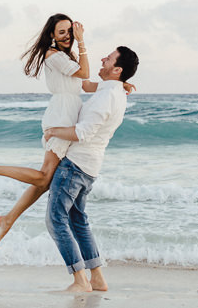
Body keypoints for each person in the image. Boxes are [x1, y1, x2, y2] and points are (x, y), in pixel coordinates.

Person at [0, 14, 131, 245]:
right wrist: (82, 42)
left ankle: (9, 218)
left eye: (70, 32)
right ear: (52, 35)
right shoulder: (52, 55)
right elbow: (83, 73)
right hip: (62, 115)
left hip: (68, 113)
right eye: (62, 32)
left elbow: (87, 84)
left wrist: (117, 84)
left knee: (45, 181)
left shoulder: (65, 57)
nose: (67, 36)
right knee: (44, 177)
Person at [42, 45, 138, 292]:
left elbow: (82, 133)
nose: (103, 58)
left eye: (109, 58)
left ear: (117, 69)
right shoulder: (112, 91)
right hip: (90, 167)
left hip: (76, 166)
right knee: (78, 220)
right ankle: (97, 278)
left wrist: (52, 131)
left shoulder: (107, 97)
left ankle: (79, 280)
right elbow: (84, 85)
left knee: (55, 219)